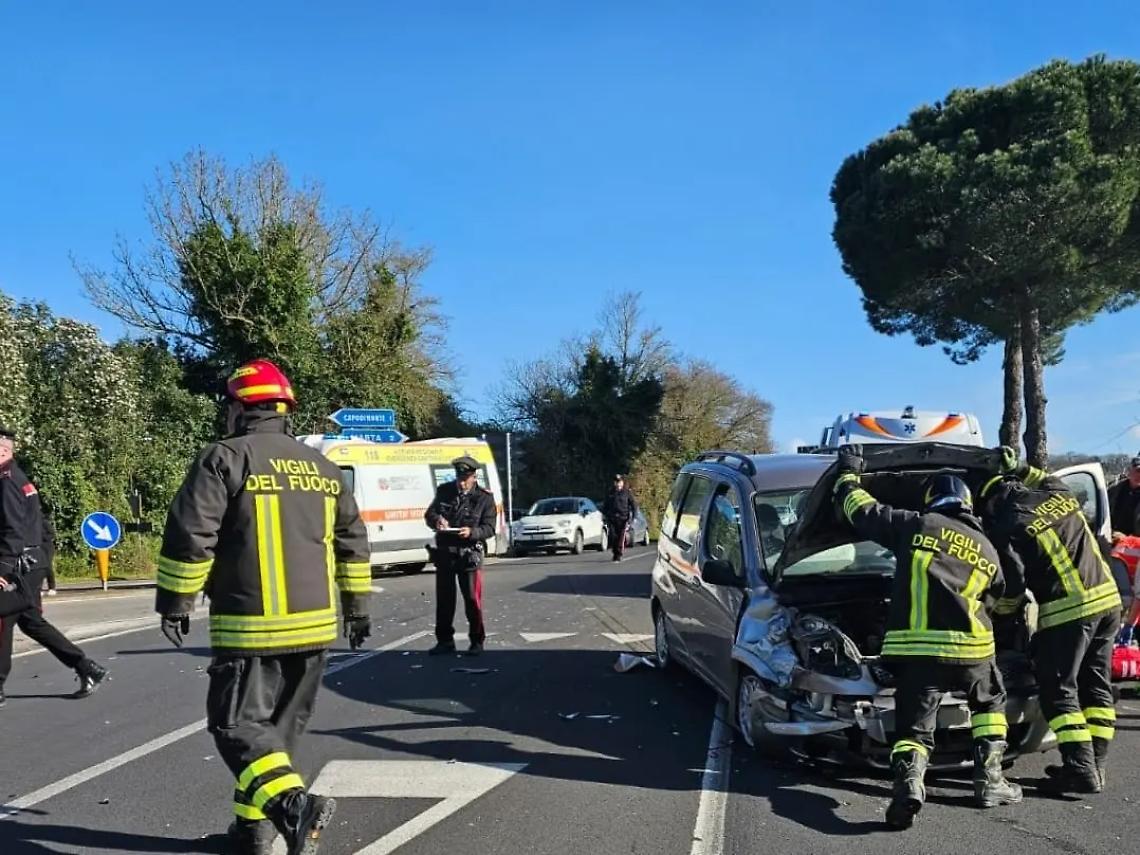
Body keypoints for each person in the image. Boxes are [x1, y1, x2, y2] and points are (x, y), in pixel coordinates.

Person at [156, 359, 371, 855]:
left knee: (236, 727)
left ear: (239, 407)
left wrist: (175, 599)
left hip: (252, 627)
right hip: (316, 630)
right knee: (273, 738)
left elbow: (193, 536)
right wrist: (357, 608)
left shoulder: (224, 458)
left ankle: (295, 808)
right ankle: (252, 834)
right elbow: (353, 543)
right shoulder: (324, 468)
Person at [833, 446, 1021, 830]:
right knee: (989, 705)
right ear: (967, 504)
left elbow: (859, 510)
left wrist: (849, 473)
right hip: (973, 651)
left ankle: (910, 785)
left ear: (932, 501)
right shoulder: (987, 548)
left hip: (917, 654)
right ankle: (990, 782)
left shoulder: (916, 525)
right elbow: (1001, 599)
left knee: (914, 730)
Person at [980, 446, 1120, 795]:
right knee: (1096, 685)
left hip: (1070, 610)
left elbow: (1012, 582)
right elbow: (1037, 475)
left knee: (1059, 688)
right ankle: (1095, 765)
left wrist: (1002, 613)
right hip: (1109, 600)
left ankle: (1080, 768)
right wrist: (1017, 464)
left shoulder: (1007, 524)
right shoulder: (1058, 491)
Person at [0, 427, 107, 708]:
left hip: (19, 564)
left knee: (2, 621)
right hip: (31, 562)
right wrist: (44, 560)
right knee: (31, 621)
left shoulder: (6, 481)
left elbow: (12, 530)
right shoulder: (20, 479)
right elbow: (43, 526)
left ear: (3, 450)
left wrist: (3, 569)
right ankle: (86, 667)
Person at [425, 456, 496, 656]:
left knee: (472, 600)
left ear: (474, 476)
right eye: (459, 477)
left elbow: (489, 528)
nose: (461, 482)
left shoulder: (484, 498)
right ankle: (445, 641)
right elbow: (429, 514)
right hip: (446, 552)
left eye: (465, 478)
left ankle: (476, 641)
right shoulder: (445, 491)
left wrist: (472, 532)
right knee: (444, 600)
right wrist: (437, 520)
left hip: (469, 554)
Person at [602, 474, 638, 562]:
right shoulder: (610, 493)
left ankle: (618, 554)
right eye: (616, 482)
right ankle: (615, 552)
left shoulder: (627, 493)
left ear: (622, 482)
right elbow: (605, 506)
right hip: (612, 518)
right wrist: (604, 516)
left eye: (619, 482)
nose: (618, 484)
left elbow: (634, 505)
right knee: (613, 536)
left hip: (623, 518)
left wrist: (634, 517)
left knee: (620, 537)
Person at [1109, 456, 1140, 536]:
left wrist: (1127, 539)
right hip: (1112, 540)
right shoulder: (1114, 491)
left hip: (1136, 545)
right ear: (1129, 471)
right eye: (1138, 471)